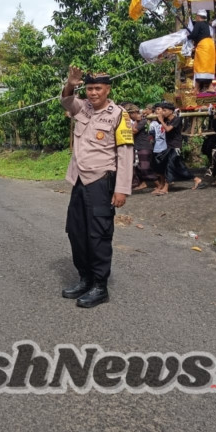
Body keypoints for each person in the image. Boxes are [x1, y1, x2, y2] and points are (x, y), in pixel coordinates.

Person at [60, 67, 133, 308]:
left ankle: (100, 286)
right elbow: (66, 101)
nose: (93, 93)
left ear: (107, 89)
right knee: (76, 232)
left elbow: (125, 153)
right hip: (79, 181)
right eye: (90, 88)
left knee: (98, 234)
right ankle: (85, 279)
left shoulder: (119, 115)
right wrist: (71, 84)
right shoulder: (83, 108)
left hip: (101, 182)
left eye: (98, 88)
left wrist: (121, 189)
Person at [153, 103, 201, 194]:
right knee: (179, 167)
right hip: (168, 146)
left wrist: (161, 120)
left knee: (169, 165)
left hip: (176, 146)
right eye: (162, 110)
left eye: (165, 110)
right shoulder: (165, 119)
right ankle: (196, 179)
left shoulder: (177, 119)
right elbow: (156, 118)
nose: (163, 112)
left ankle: (166, 188)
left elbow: (168, 129)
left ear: (171, 111)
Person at [126, 103, 155, 191]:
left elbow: (134, 131)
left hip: (144, 146)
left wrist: (134, 122)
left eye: (130, 114)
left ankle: (158, 184)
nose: (130, 116)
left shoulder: (143, 121)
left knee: (145, 167)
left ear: (134, 113)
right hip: (138, 146)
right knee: (138, 167)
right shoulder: (138, 121)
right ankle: (143, 183)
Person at [189, 9, 215, 92]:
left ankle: (196, 88)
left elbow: (194, 35)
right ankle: (210, 86)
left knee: (200, 66)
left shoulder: (198, 24)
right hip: (210, 45)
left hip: (203, 46)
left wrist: (187, 36)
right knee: (208, 66)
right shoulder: (208, 25)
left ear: (198, 16)